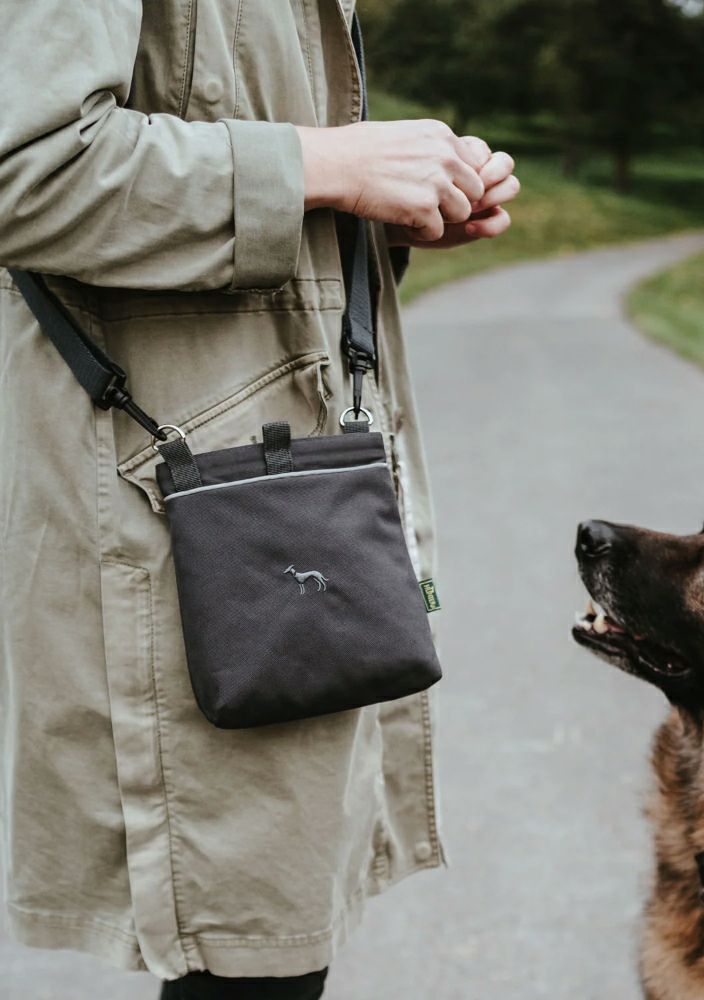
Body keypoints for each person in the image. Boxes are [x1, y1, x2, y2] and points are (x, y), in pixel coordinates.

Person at [0, 1, 519, 997]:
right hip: (181, 510)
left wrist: (381, 206)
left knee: (272, 952)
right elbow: (27, 169)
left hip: (283, 494)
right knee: (250, 962)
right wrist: (324, 165)